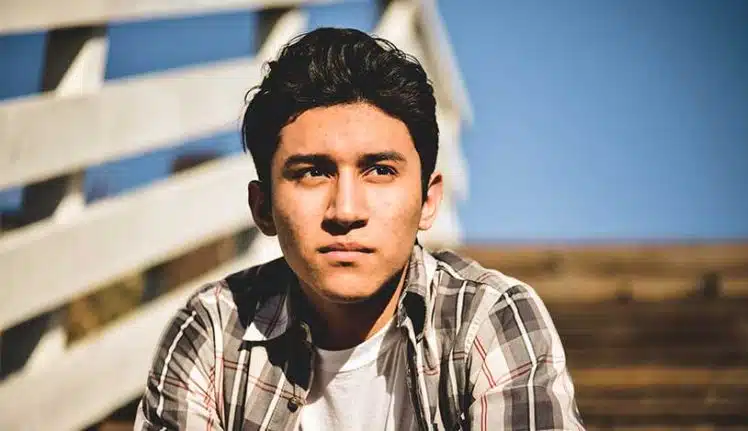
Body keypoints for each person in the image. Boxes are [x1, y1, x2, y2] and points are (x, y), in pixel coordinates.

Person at [134, 27, 584, 430]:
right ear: (263, 208)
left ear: (427, 201)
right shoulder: (214, 331)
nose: (345, 211)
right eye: (312, 172)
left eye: (380, 171)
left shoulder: (489, 319)